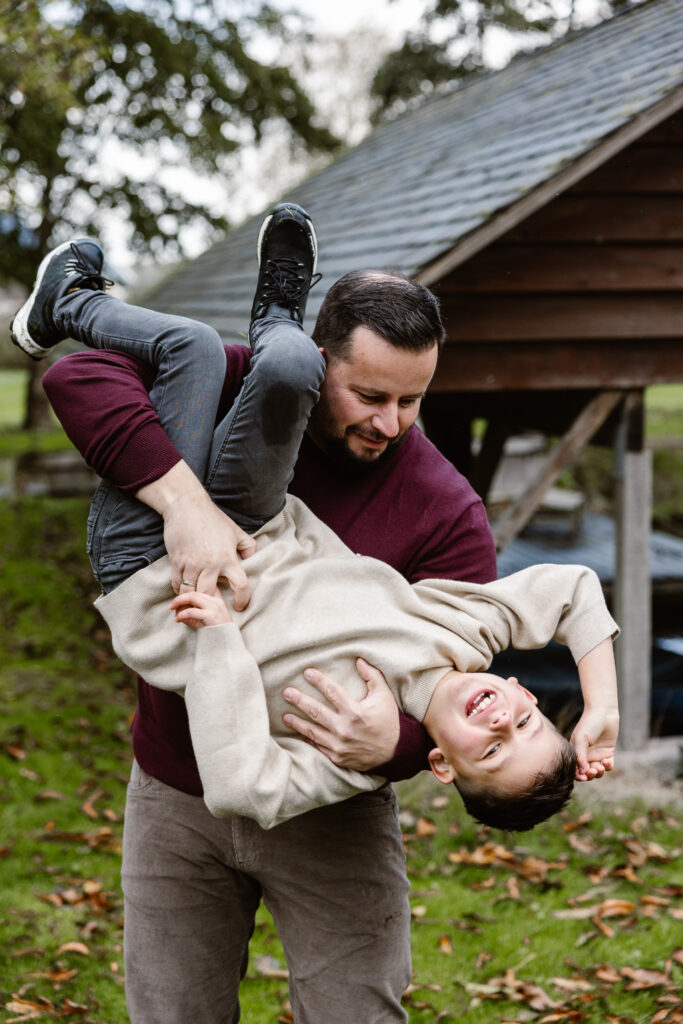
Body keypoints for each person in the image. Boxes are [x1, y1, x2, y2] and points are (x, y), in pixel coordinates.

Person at [25, 205, 498, 1023]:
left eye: (411, 401)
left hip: (334, 811)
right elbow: (78, 379)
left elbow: (463, 679)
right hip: (177, 790)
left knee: (356, 1013)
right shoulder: (248, 387)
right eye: (369, 395)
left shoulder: (447, 514)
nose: (388, 423)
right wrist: (184, 507)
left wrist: (396, 743)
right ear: (319, 363)